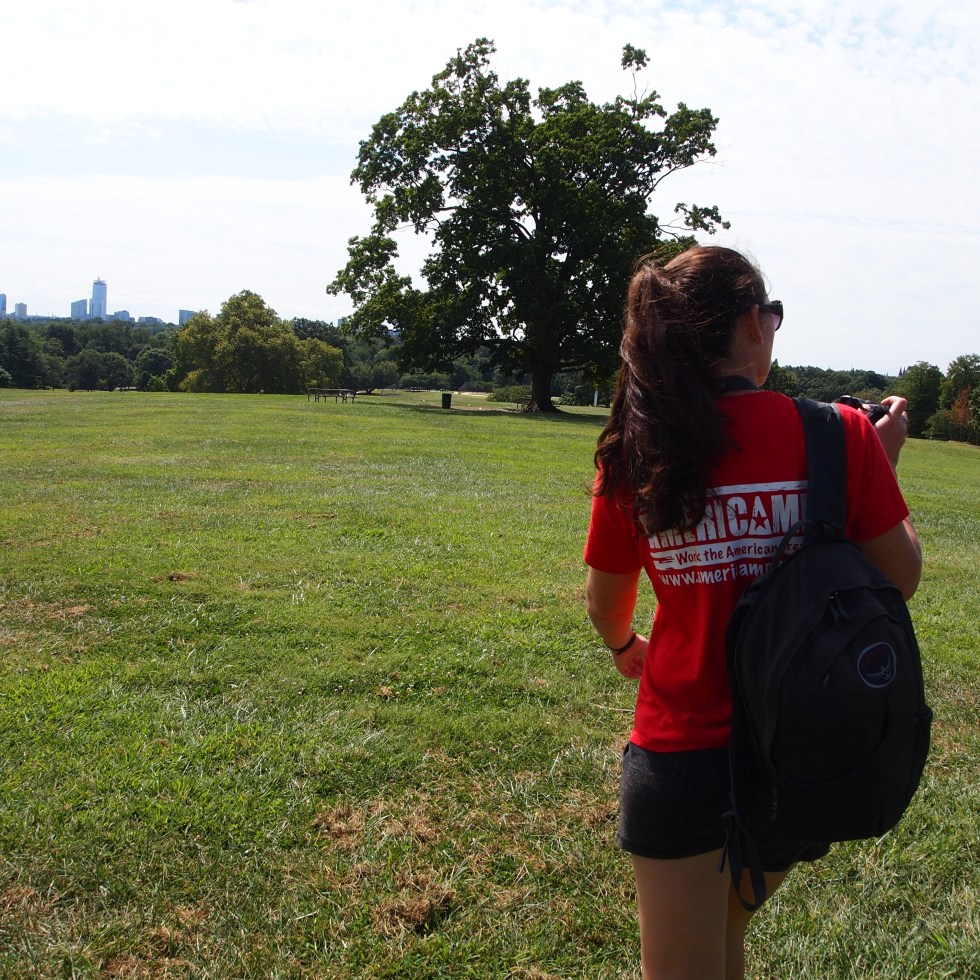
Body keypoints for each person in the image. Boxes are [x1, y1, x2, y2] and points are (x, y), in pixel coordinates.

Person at [583, 245, 922, 979]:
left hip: (683, 752)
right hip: (801, 747)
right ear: (748, 324)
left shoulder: (636, 449)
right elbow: (899, 579)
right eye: (772, 315)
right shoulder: (840, 434)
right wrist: (877, 463)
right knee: (723, 937)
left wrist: (623, 644)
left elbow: (605, 602)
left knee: (693, 956)